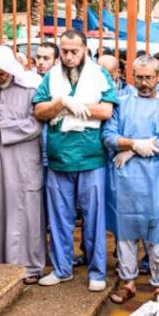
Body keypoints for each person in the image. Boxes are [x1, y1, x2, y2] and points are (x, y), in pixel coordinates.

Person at [33, 29, 119, 291]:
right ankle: (61, 269)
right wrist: (62, 102)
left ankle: (97, 272)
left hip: (90, 158)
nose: (69, 57)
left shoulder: (99, 74)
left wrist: (81, 108)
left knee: (94, 219)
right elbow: (39, 111)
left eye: (74, 51)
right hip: (59, 159)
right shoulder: (52, 76)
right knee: (59, 218)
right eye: (65, 51)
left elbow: (106, 110)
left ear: (85, 50)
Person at [102, 57, 159, 303]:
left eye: (149, 77)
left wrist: (134, 148)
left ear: (158, 77)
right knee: (125, 233)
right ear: (131, 75)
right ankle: (128, 282)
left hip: (156, 179)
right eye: (139, 77)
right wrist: (134, 142)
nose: (144, 83)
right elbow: (108, 136)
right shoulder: (121, 103)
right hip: (124, 179)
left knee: (155, 235)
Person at [0, 45, 46, 279]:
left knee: (25, 212)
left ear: (11, 70)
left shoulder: (31, 88)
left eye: (2, 73)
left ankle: (29, 267)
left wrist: (2, 126)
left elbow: (35, 124)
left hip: (24, 161)